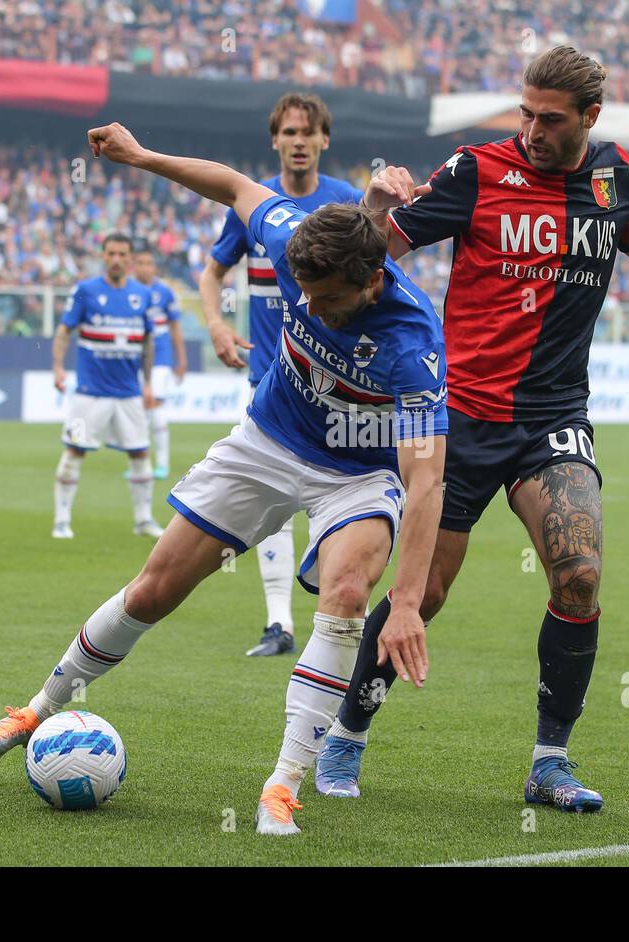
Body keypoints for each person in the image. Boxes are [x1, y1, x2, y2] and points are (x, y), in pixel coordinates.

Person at [315, 45, 629, 813]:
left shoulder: (616, 178)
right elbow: (369, 257)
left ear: (590, 118)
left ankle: (550, 761)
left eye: (549, 119)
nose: (532, 131)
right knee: (429, 590)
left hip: (553, 417)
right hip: (463, 415)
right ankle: (348, 728)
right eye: (525, 114)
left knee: (579, 574)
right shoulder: (476, 171)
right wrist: (377, 204)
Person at [0, 122, 448, 838]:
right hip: (269, 440)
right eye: (302, 295)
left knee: (347, 596)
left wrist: (407, 601)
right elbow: (231, 184)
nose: (307, 310)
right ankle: (36, 709)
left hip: (355, 477)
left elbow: (426, 481)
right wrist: (141, 157)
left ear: (372, 281)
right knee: (154, 589)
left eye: (325, 302)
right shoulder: (294, 241)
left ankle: (282, 787)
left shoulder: (412, 348)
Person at [200, 92, 363, 658]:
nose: (298, 141)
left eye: (307, 132)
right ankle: (278, 623)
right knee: (273, 502)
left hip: (336, 384)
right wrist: (218, 326)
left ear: (323, 141)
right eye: (288, 132)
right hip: (269, 379)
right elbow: (212, 273)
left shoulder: (344, 202)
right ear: (275, 140)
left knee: (332, 495)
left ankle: (330, 618)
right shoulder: (253, 204)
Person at [50, 234, 163, 539]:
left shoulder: (143, 295)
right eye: (111, 253)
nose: (116, 259)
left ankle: (143, 519)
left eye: (122, 254)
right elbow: (64, 331)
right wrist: (58, 367)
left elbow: (148, 343)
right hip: (90, 393)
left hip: (128, 393)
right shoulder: (85, 291)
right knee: (75, 451)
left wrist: (148, 383)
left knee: (140, 454)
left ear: (129, 259)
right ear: (103, 256)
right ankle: (61, 519)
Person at [123, 247, 188, 481]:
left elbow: (175, 329)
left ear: (154, 267)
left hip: (159, 358)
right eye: (139, 263)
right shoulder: (128, 291)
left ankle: (161, 464)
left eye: (148, 263)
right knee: (137, 412)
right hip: (133, 359)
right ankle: (141, 463)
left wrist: (181, 360)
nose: (144, 268)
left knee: (155, 408)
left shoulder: (165, 292)